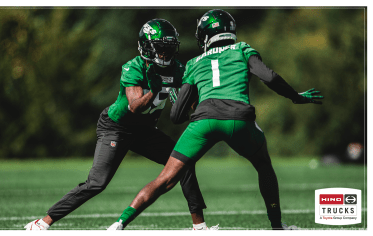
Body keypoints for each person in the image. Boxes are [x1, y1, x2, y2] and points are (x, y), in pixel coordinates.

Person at [107, 9, 324, 230]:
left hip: (203, 121)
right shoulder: (242, 49)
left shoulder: (193, 63)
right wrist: (295, 97)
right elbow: (268, 76)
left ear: (205, 36)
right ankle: (277, 226)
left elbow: (176, 115)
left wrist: (198, 115)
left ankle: (119, 223)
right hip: (239, 119)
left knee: (166, 178)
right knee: (264, 167)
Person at [24, 19, 212, 231]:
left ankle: (199, 227)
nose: (166, 54)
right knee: (97, 183)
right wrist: (153, 91)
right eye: (161, 48)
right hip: (117, 127)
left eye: (169, 48)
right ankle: (43, 223)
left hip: (144, 130)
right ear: (147, 47)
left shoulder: (178, 69)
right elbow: (134, 107)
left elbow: (189, 103)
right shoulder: (134, 67)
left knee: (183, 162)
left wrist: (199, 105)